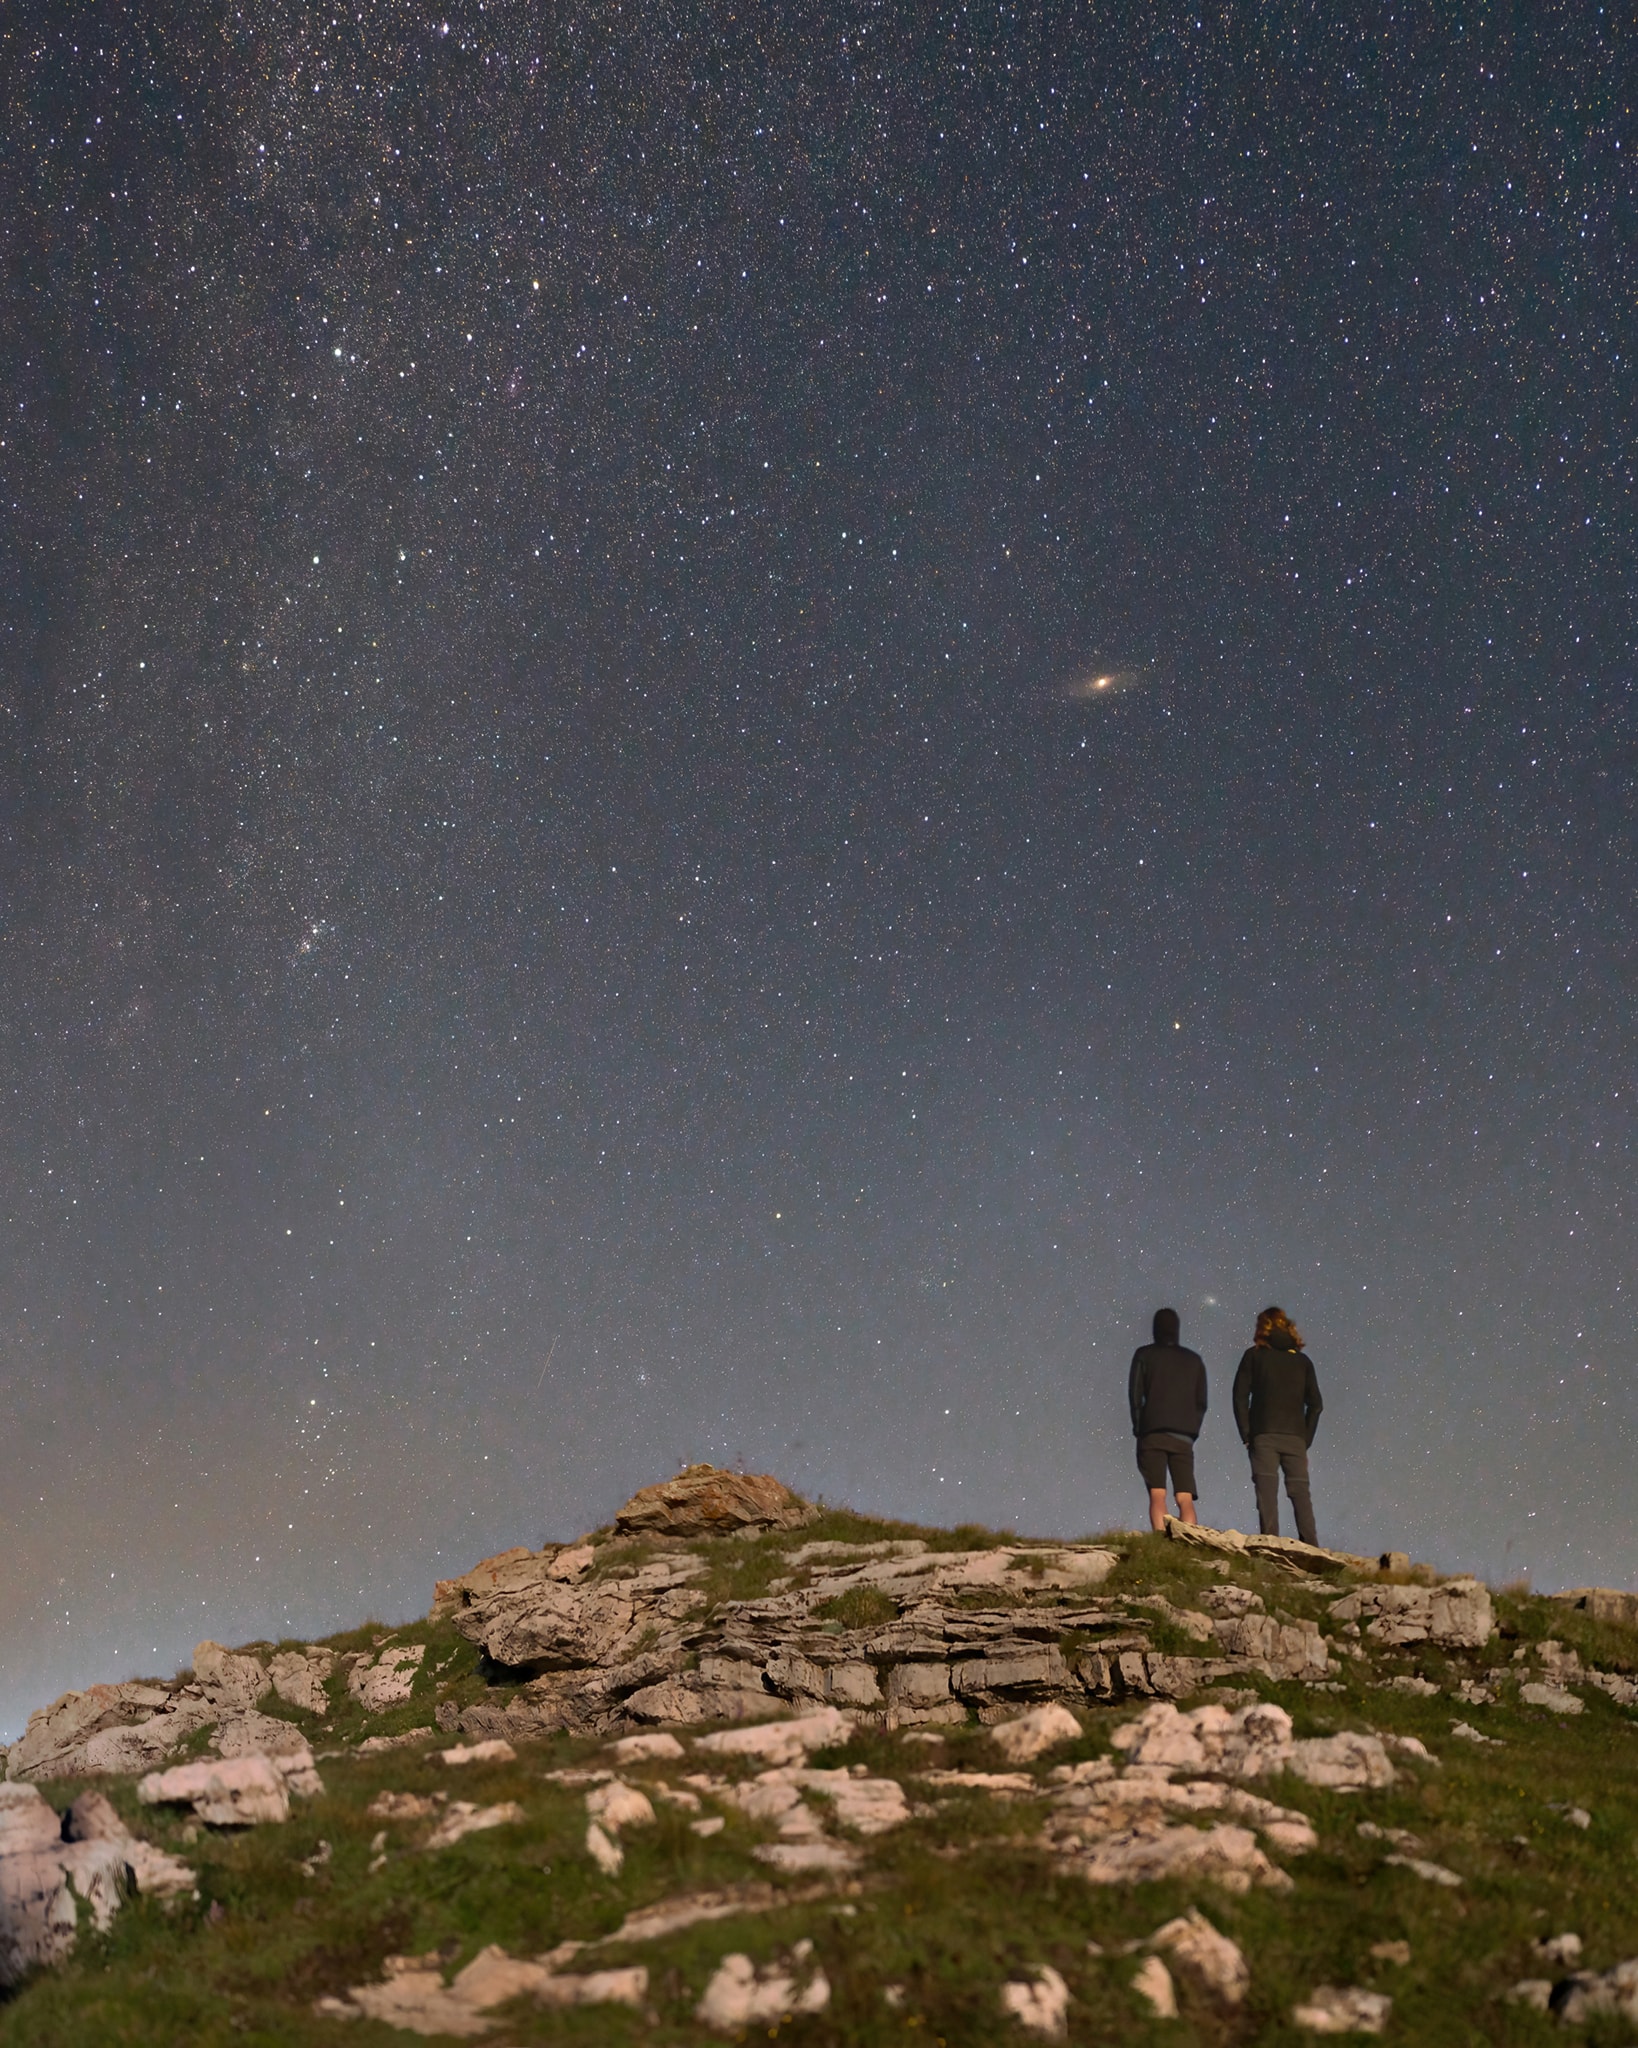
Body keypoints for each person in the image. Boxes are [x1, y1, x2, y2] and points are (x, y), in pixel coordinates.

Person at [1232, 1306, 1324, 1544]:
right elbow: (1316, 1405)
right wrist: (1305, 1438)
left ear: (1262, 1328)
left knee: (1266, 1490)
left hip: (1263, 1434)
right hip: (1295, 1437)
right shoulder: (1303, 1362)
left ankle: (1271, 1544)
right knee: (1300, 1492)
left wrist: (1246, 1433)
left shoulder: (1254, 1356)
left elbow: (1240, 1396)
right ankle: (1311, 1546)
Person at [1128, 1307, 1207, 1532]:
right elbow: (1201, 1402)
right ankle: (1188, 1542)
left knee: (1157, 1493)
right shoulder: (1194, 1361)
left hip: (1152, 1432)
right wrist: (1192, 1429)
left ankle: (1161, 1538)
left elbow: (1135, 1394)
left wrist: (1138, 1426)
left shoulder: (1144, 1355)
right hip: (1183, 1436)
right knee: (1185, 1497)